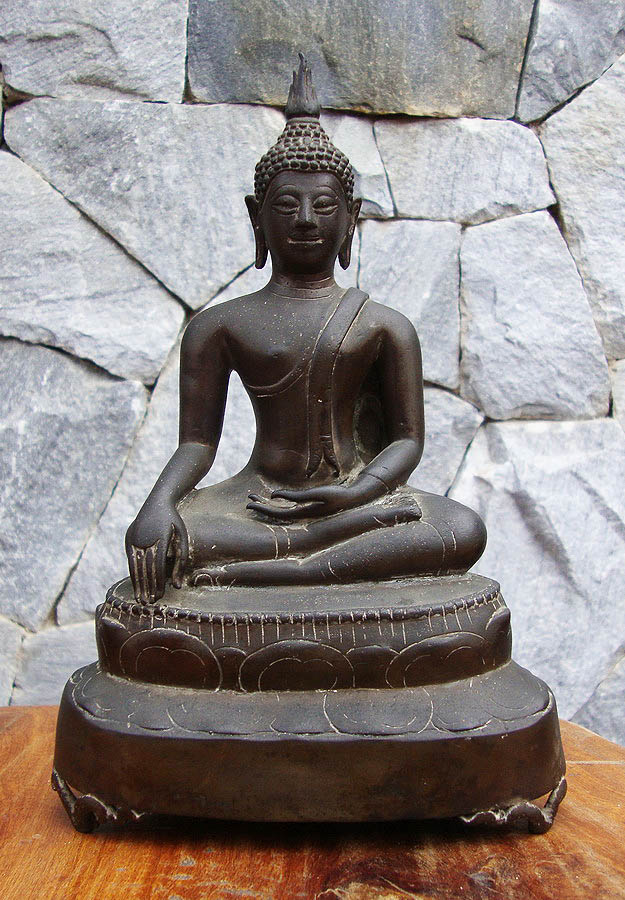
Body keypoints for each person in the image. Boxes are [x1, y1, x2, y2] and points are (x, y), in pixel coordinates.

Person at [125, 56, 486, 603]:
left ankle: (276, 568)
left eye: (324, 205)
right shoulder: (218, 326)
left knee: (462, 529)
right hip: (256, 503)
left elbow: (407, 441)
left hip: (356, 504)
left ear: (351, 217)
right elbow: (197, 443)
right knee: (178, 537)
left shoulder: (385, 326)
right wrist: (157, 504)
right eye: (287, 204)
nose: (305, 219)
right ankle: (305, 558)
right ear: (257, 216)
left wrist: (355, 495)